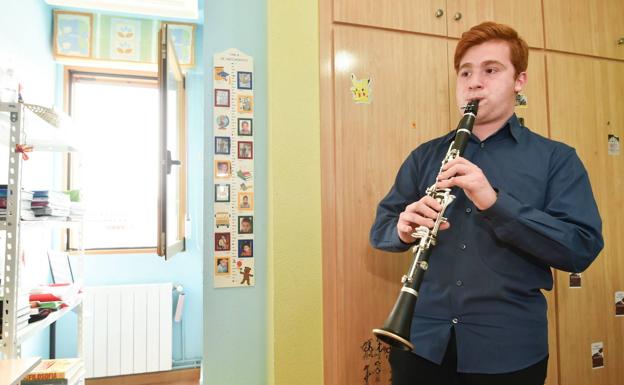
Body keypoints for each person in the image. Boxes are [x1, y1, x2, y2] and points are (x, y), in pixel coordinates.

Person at [370, 21, 603, 385]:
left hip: (508, 349)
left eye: (491, 70)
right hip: (420, 343)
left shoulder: (556, 159)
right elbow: (381, 228)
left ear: (519, 81)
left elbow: (580, 248)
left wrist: (494, 202)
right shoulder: (425, 156)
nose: (474, 82)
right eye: (465, 72)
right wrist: (401, 228)